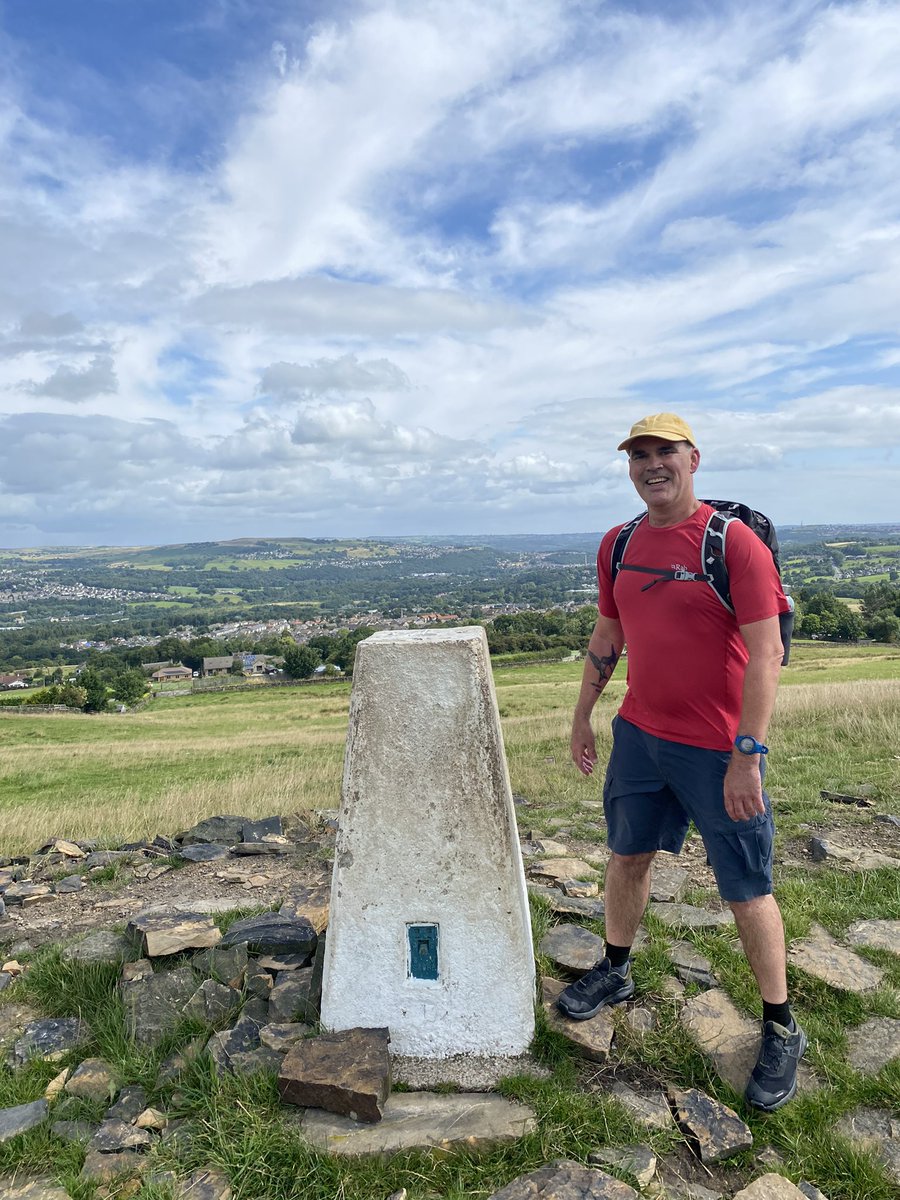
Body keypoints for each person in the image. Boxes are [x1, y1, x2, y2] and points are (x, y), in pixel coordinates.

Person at [558, 412, 806, 1113]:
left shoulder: (735, 545)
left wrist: (747, 755)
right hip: (640, 735)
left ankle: (782, 1025)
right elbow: (610, 631)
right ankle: (615, 969)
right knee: (626, 855)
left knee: (746, 887)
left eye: (664, 451)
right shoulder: (620, 543)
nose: (651, 464)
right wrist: (583, 713)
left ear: (693, 457)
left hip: (718, 748)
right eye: (638, 454)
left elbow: (767, 653)